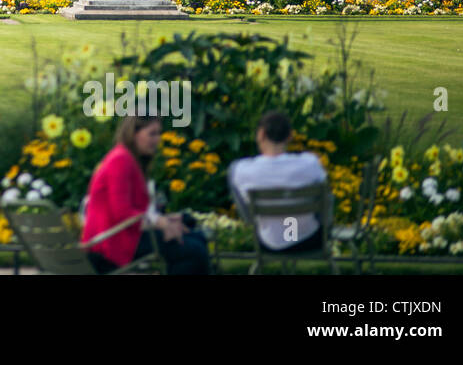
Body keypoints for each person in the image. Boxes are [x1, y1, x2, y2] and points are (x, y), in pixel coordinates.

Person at [81, 116, 209, 275]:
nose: (158, 139)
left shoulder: (127, 159)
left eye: (159, 133)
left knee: (195, 236)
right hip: (110, 244)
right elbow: (122, 213)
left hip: (124, 236)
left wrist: (166, 220)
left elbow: (133, 212)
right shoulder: (120, 160)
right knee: (193, 251)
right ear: (134, 134)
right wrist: (161, 223)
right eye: (152, 134)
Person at [228, 111, 328, 254]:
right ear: (290, 136)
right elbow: (325, 200)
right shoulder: (310, 163)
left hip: (269, 243)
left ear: (261, 134)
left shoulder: (241, 170)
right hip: (310, 240)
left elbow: (247, 214)